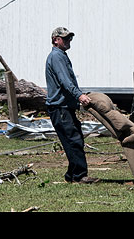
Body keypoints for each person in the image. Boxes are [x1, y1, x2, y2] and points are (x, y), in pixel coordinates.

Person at [45, 26, 99, 184]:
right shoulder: (56, 56)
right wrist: (79, 95)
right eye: (66, 38)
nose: (69, 41)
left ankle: (72, 174)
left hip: (63, 107)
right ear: (56, 40)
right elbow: (65, 81)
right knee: (73, 140)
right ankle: (79, 176)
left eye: (70, 38)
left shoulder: (61, 55)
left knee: (74, 139)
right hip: (60, 107)